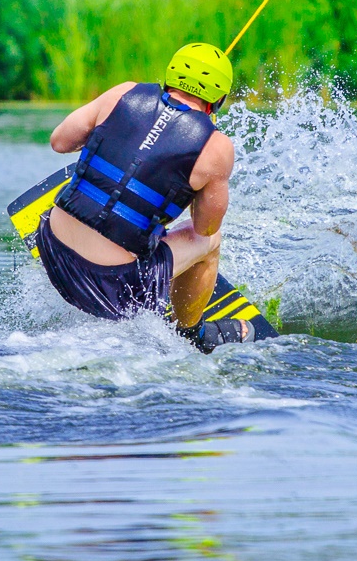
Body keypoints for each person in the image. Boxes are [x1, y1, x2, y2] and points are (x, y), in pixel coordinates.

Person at [35, 42, 254, 349]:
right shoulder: (217, 147)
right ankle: (194, 334)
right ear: (219, 98)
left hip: (50, 247)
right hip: (109, 289)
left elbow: (60, 141)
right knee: (210, 243)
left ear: (170, 76)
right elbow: (206, 226)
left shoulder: (123, 92)